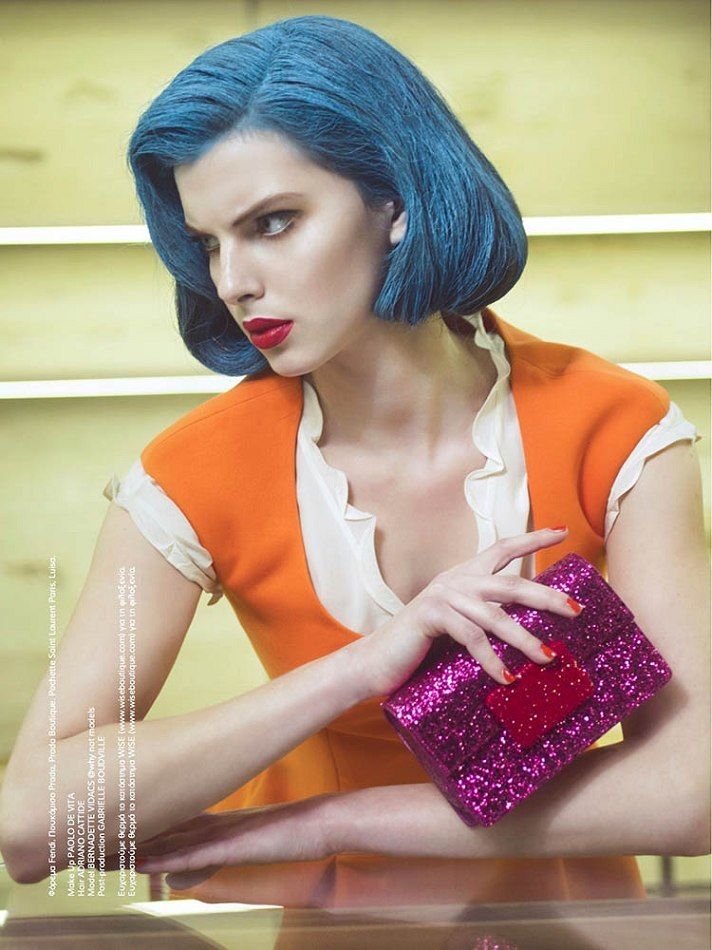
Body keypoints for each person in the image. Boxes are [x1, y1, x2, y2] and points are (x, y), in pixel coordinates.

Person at [1, 15, 708, 903]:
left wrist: (327, 822)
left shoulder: (617, 426)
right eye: (211, 242)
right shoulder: (191, 474)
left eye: (273, 223)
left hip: (576, 929)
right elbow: (31, 825)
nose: (233, 280)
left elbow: (694, 791)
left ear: (396, 202)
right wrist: (359, 669)